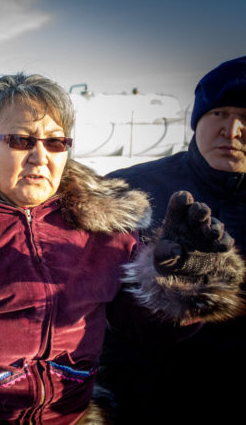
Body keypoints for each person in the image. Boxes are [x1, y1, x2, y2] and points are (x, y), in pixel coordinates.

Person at [0, 72, 245, 424]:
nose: (39, 157)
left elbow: (138, 327)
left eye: (55, 142)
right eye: (19, 139)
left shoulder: (100, 230)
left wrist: (179, 286)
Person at [97, 56, 246, 424]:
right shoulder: (127, 189)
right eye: (219, 113)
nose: (233, 129)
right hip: (143, 397)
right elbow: (89, 299)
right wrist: (163, 277)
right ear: (197, 120)